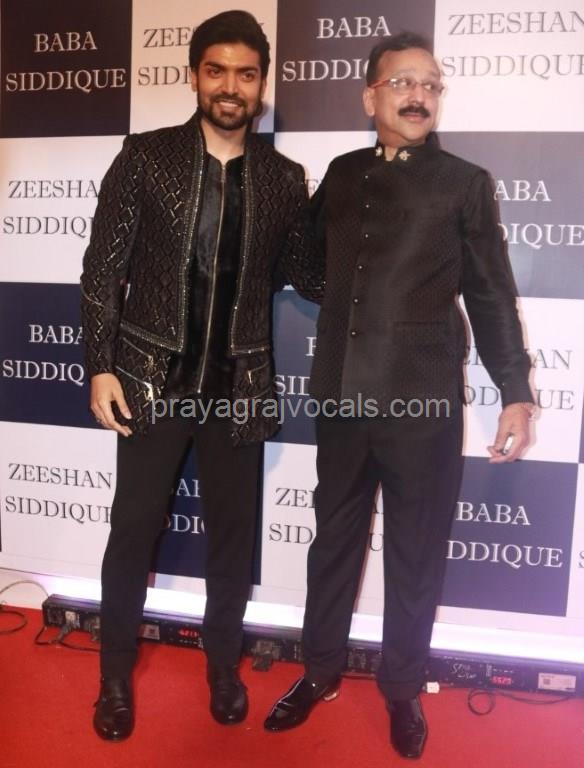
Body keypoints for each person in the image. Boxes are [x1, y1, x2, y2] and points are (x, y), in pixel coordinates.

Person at [264, 32, 535, 759]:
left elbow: (490, 293)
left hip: (422, 403)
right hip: (342, 396)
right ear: (371, 96)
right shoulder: (343, 173)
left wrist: (513, 389)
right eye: (403, 83)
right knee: (333, 545)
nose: (419, 96)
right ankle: (318, 672)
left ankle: (403, 688)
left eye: (431, 85)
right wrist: (344, 302)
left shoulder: (464, 182)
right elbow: (307, 264)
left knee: (415, 555)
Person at [81, 10, 320, 742]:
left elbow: (306, 276)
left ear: (261, 84)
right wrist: (100, 366)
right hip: (150, 381)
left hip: (237, 389)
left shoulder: (283, 179)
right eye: (217, 71)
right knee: (132, 532)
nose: (230, 87)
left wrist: (354, 219)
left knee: (232, 541)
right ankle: (113, 678)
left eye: (246, 74)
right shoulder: (146, 156)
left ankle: (223, 668)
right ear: (194, 76)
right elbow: (102, 270)